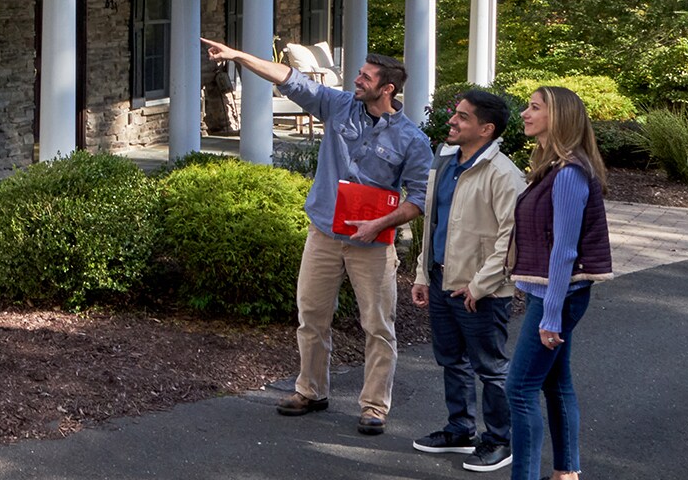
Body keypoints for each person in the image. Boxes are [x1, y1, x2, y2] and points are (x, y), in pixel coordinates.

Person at [201, 37, 433, 436]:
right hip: (324, 233)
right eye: (359, 74)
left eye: (365, 76)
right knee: (311, 317)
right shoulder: (339, 105)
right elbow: (291, 79)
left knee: (378, 326)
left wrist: (379, 225)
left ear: (388, 88)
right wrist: (238, 55)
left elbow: (420, 198)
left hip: (374, 244)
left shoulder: (412, 139)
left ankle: (375, 406)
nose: (356, 80)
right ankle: (310, 390)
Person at [411, 90, 526, 472]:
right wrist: (423, 272)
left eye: (462, 116)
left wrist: (478, 286)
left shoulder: (504, 175)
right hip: (443, 280)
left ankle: (499, 441)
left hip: (482, 291)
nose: (452, 121)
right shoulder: (445, 162)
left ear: (486, 128)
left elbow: (509, 243)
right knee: (452, 361)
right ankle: (460, 430)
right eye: (454, 114)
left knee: (490, 367)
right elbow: (433, 224)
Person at [506, 86, 612, 480]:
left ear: (559, 117)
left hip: (559, 296)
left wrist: (550, 315)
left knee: (518, 389)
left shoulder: (568, 174)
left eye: (534, 108)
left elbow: (565, 250)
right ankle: (566, 472)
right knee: (555, 382)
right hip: (557, 295)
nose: (525, 113)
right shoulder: (553, 168)